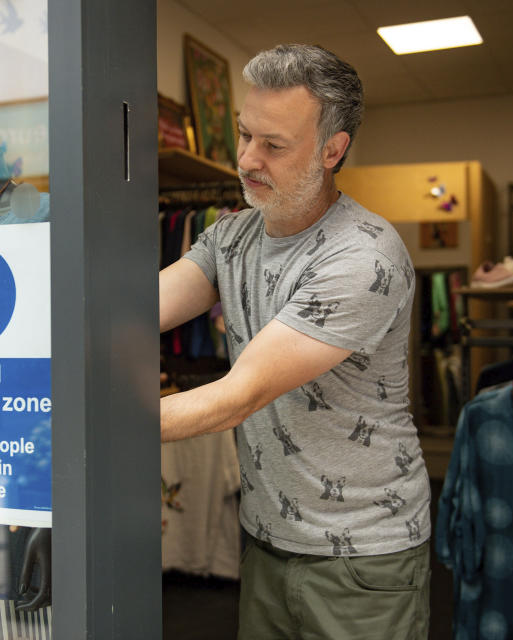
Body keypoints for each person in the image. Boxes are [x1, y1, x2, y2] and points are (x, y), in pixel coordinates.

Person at [159, 44, 430, 639]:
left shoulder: (362, 256)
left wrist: (81, 421)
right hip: (269, 533)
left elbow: (241, 394)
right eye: (244, 135)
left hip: (363, 552)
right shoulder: (232, 233)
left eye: (274, 145)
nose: (248, 159)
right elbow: (138, 311)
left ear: (333, 150)